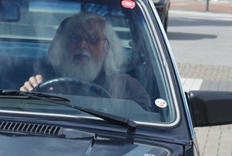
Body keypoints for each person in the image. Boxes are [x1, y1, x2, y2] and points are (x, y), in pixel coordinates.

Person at [19, 12, 150, 110]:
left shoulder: (127, 87)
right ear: (64, 45)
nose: (82, 45)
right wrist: (27, 95)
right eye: (75, 38)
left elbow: (146, 126)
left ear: (108, 48)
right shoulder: (45, 80)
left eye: (93, 39)